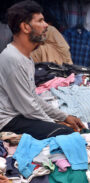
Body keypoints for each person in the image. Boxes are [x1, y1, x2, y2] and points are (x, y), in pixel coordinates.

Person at [0, 0, 85, 140]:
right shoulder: (12, 59)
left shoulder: (26, 58)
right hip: (8, 121)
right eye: (40, 21)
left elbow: (34, 99)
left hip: (21, 115)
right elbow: (29, 107)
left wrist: (65, 117)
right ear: (26, 27)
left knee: (67, 128)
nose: (46, 25)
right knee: (68, 135)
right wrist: (56, 125)